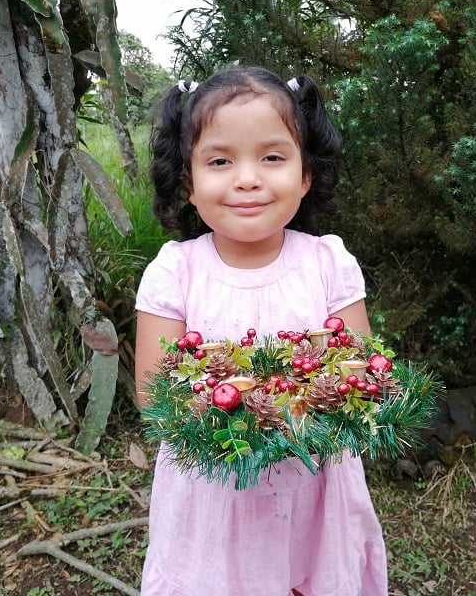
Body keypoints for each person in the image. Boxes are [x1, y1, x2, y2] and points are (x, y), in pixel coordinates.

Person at [134, 65, 388, 595]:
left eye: (272, 157)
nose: (247, 178)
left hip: (314, 483)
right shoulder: (175, 272)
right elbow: (154, 397)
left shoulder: (328, 264)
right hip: (211, 491)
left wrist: (326, 406)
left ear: (306, 174)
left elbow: (362, 372)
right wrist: (232, 425)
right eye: (220, 160)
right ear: (188, 180)